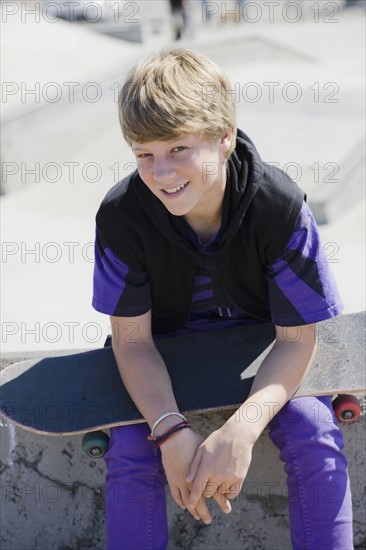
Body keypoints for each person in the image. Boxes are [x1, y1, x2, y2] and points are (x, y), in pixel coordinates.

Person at [92, 48, 353, 549]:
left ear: (224, 136)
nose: (161, 172)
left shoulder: (278, 208)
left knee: (313, 430)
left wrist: (241, 431)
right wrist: (170, 432)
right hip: (164, 350)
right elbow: (131, 342)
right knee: (130, 443)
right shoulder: (122, 217)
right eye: (144, 154)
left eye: (178, 149)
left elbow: (298, 340)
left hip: (264, 345)